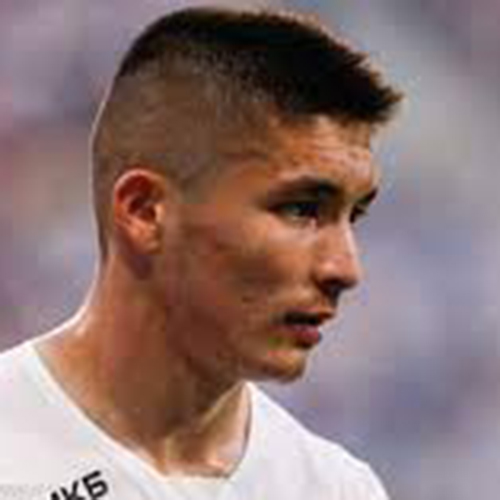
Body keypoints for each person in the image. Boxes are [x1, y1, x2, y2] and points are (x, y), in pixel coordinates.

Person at [0, 6, 401, 500]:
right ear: (145, 211)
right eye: (301, 209)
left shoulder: (334, 487)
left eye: (353, 215)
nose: (345, 268)